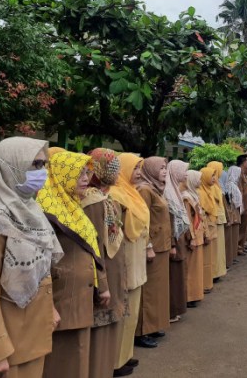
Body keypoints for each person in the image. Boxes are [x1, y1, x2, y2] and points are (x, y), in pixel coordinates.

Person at [0, 137, 62, 378]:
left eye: (44, 165)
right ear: (11, 166)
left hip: (32, 332)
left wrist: (49, 308)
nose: (42, 173)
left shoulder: (30, 209)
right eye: (36, 165)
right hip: (8, 344)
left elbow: (41, 268)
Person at [37, 150, 103, 378]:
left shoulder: (72, 205)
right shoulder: (46, 207)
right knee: (62, 359)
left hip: (78, 294)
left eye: (87, 173)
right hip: (61, 295)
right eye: (78, 173)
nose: (85, 178)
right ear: (62, 174)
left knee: (77, 354)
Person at [83, 149, 128, 378]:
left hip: (113, 269)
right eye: (110, 166)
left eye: (116, 166)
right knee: (99, 330)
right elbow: (95, 244)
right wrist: (103, 283)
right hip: (103, 273)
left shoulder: (105, 197)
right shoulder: (91, 201)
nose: (115, 171)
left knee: (110, 327)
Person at [110, 154, 152, 371]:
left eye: (140, 168)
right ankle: (115, 361)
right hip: (125, 258)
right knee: (123, 311)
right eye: (134, 168)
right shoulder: (115, 195)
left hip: (136, 258)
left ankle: (126, 355)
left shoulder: (132, 193)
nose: (138, 172)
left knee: (132, 311)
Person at [136, 157, 172, 344]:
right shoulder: (144, 189)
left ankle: (153, 325)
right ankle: (143, 330)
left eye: (166, 168)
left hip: (162, 246)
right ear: (150, 170)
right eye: (161, 168)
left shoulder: (157, 188)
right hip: (153, 247)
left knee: (158, 290)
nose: (165, 171)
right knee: (149, 291)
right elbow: (142, 221)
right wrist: (148, 245)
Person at [164, 160, 190, 323]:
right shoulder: (167, 192)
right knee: (173, 277)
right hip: (173, 240)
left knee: (179, 275)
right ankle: (171, 309)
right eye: (183, 170)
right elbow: (168, 220)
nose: (186, 174)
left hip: (179, 239)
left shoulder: (175, 190)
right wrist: (172, 243)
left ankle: (176, 308)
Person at [182, 170, 205, 307]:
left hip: (198, 234)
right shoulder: (186, 197)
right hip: (193, 236)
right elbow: (189, 220)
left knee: (196, 268)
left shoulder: (193, 194)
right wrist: (192, 237)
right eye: (198, 179)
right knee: (191, 268)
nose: (200, 182)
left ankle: (195, 293)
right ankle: (189, 296)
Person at [199, 167, 219, 293]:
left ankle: (209, 280)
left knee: (210, 256)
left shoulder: (209, 190)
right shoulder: (200, 192)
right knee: (205, 257)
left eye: (214, 175)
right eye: (211, 176)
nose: (214, 178)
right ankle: (205, 283)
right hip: (205, 228)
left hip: (211, 226)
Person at [207, 162, 227, 283]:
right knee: (215, 249)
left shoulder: (216, 185)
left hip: (219, 219)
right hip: (214, 220)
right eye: (214, 173)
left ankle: (218, 271)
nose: (216, 176)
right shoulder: (210, 186)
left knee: (219, 249)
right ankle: (214, 272)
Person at [224, 160, 244, 268]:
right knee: (231, 238)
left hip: (235, 213)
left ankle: (232, 257)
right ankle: (230, 258)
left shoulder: (233, 185)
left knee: (234, 237)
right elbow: (235, 202)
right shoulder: (231, 186)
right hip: (233, 213)